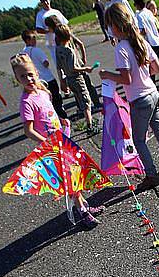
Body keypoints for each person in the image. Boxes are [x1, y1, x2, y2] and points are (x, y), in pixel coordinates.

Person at [10, 53, 101, 227]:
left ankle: (85, 205)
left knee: (74, 173)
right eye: (22, 76)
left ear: (36, 72)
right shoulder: (26, 102)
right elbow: (28, 131)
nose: (28, 78)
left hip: (62, 140)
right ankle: (82, 211)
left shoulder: (43, 91)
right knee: (68, 178)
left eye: (30, 74)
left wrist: (61, 120)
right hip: (51, 147)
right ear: (17, 79)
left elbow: (49, 113)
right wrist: (47, 143)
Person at [100, 3, 159, 192]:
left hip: (139, 100)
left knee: (139, 140)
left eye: (110, 25)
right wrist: (143, 76)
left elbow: (125, 78)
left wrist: (108, 75)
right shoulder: (141, 41)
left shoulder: (121, 49)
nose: (109, 30)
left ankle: (151, 175)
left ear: (116, 26)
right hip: (153, 93)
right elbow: (156, 68)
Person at [54, 24, 100, 135]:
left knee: (80, 100)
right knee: (86, 101)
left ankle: (88, 122)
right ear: (68, 36)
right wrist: (86, 69)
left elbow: (59, 67)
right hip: (77, 78)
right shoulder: (70, 51)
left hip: (69, 80)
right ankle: (90, 126)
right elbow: (73, 68)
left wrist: (62, 81)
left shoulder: (58, 50)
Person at [21, 29, 68, 121]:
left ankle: (51, 117)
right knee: (56, 97)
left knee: (46, 100)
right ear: (27, 40)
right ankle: (62, 116)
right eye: (33, 38)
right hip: (48, 78)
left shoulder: (23, 53)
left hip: (38, 81)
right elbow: (45, 63)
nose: (35, 40)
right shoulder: (36, 50)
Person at [35, 0, 68, 65]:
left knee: (68, 59)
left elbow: (65, 24)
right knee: (58, 63)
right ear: (41, 3)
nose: (46, 3)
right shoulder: (40, 15)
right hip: (52, 43)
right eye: (43, 1)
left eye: (46, 0)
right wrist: (48, 31)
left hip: (63, 39)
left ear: (49, 0)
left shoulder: (56, 12)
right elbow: (38, 29)